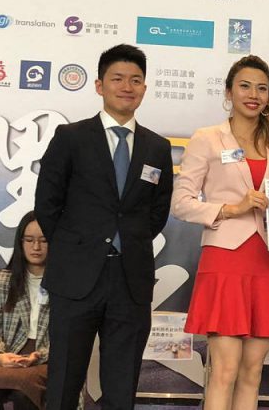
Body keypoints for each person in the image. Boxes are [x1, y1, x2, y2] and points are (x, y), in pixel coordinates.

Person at [34, 44, 173, 410]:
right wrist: (76, 248)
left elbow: (157, 211)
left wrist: (128, 243)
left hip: (130, 280)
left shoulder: (157, 147)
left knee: (121, 386)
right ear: (99, 85)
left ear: (144, 88)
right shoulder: (71, 137)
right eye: (117, 79)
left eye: (136, 80)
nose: (127, 87)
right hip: (76, 278)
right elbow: (47, 204)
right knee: (64, 381)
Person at [171, 55, 269, 410]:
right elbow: (180, 203)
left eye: (262, 88)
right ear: (229, 92)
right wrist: (231, 208)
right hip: (225, 259)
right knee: (224, 370)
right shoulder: (208, 138)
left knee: (252, 372)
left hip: (267, 261)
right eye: (245, 86)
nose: (253, 94)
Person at [0, 212, 53, 410]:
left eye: (43, 241)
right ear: (20, 242)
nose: (36, 247)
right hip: (7, 355)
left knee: (23, 392)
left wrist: (38, 355)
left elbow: (69, 336)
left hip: (46, 358)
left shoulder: (65, 284)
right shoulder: (2, 280)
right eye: (29, 240)